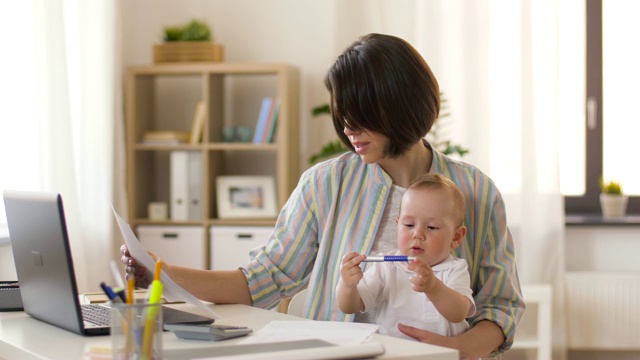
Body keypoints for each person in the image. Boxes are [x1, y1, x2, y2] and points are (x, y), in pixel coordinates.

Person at [121, 33, 524, 359]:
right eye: (341, 114)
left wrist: (457, 350)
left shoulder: (475, 190)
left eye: (359, 113)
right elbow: (266, 278)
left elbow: (500, 304)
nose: (348, 128)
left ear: (403, 105)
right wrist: (161, 272)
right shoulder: (324, 183)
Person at [336, 173, 475, 340]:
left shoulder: (455, 269)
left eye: (431, 227)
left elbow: (458, 314)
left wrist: (433, 287)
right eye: (408, 225)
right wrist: (347, 285)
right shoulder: (387, 266)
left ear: (456, 237)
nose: (417, 234)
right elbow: (350, 306)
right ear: (398, 225)